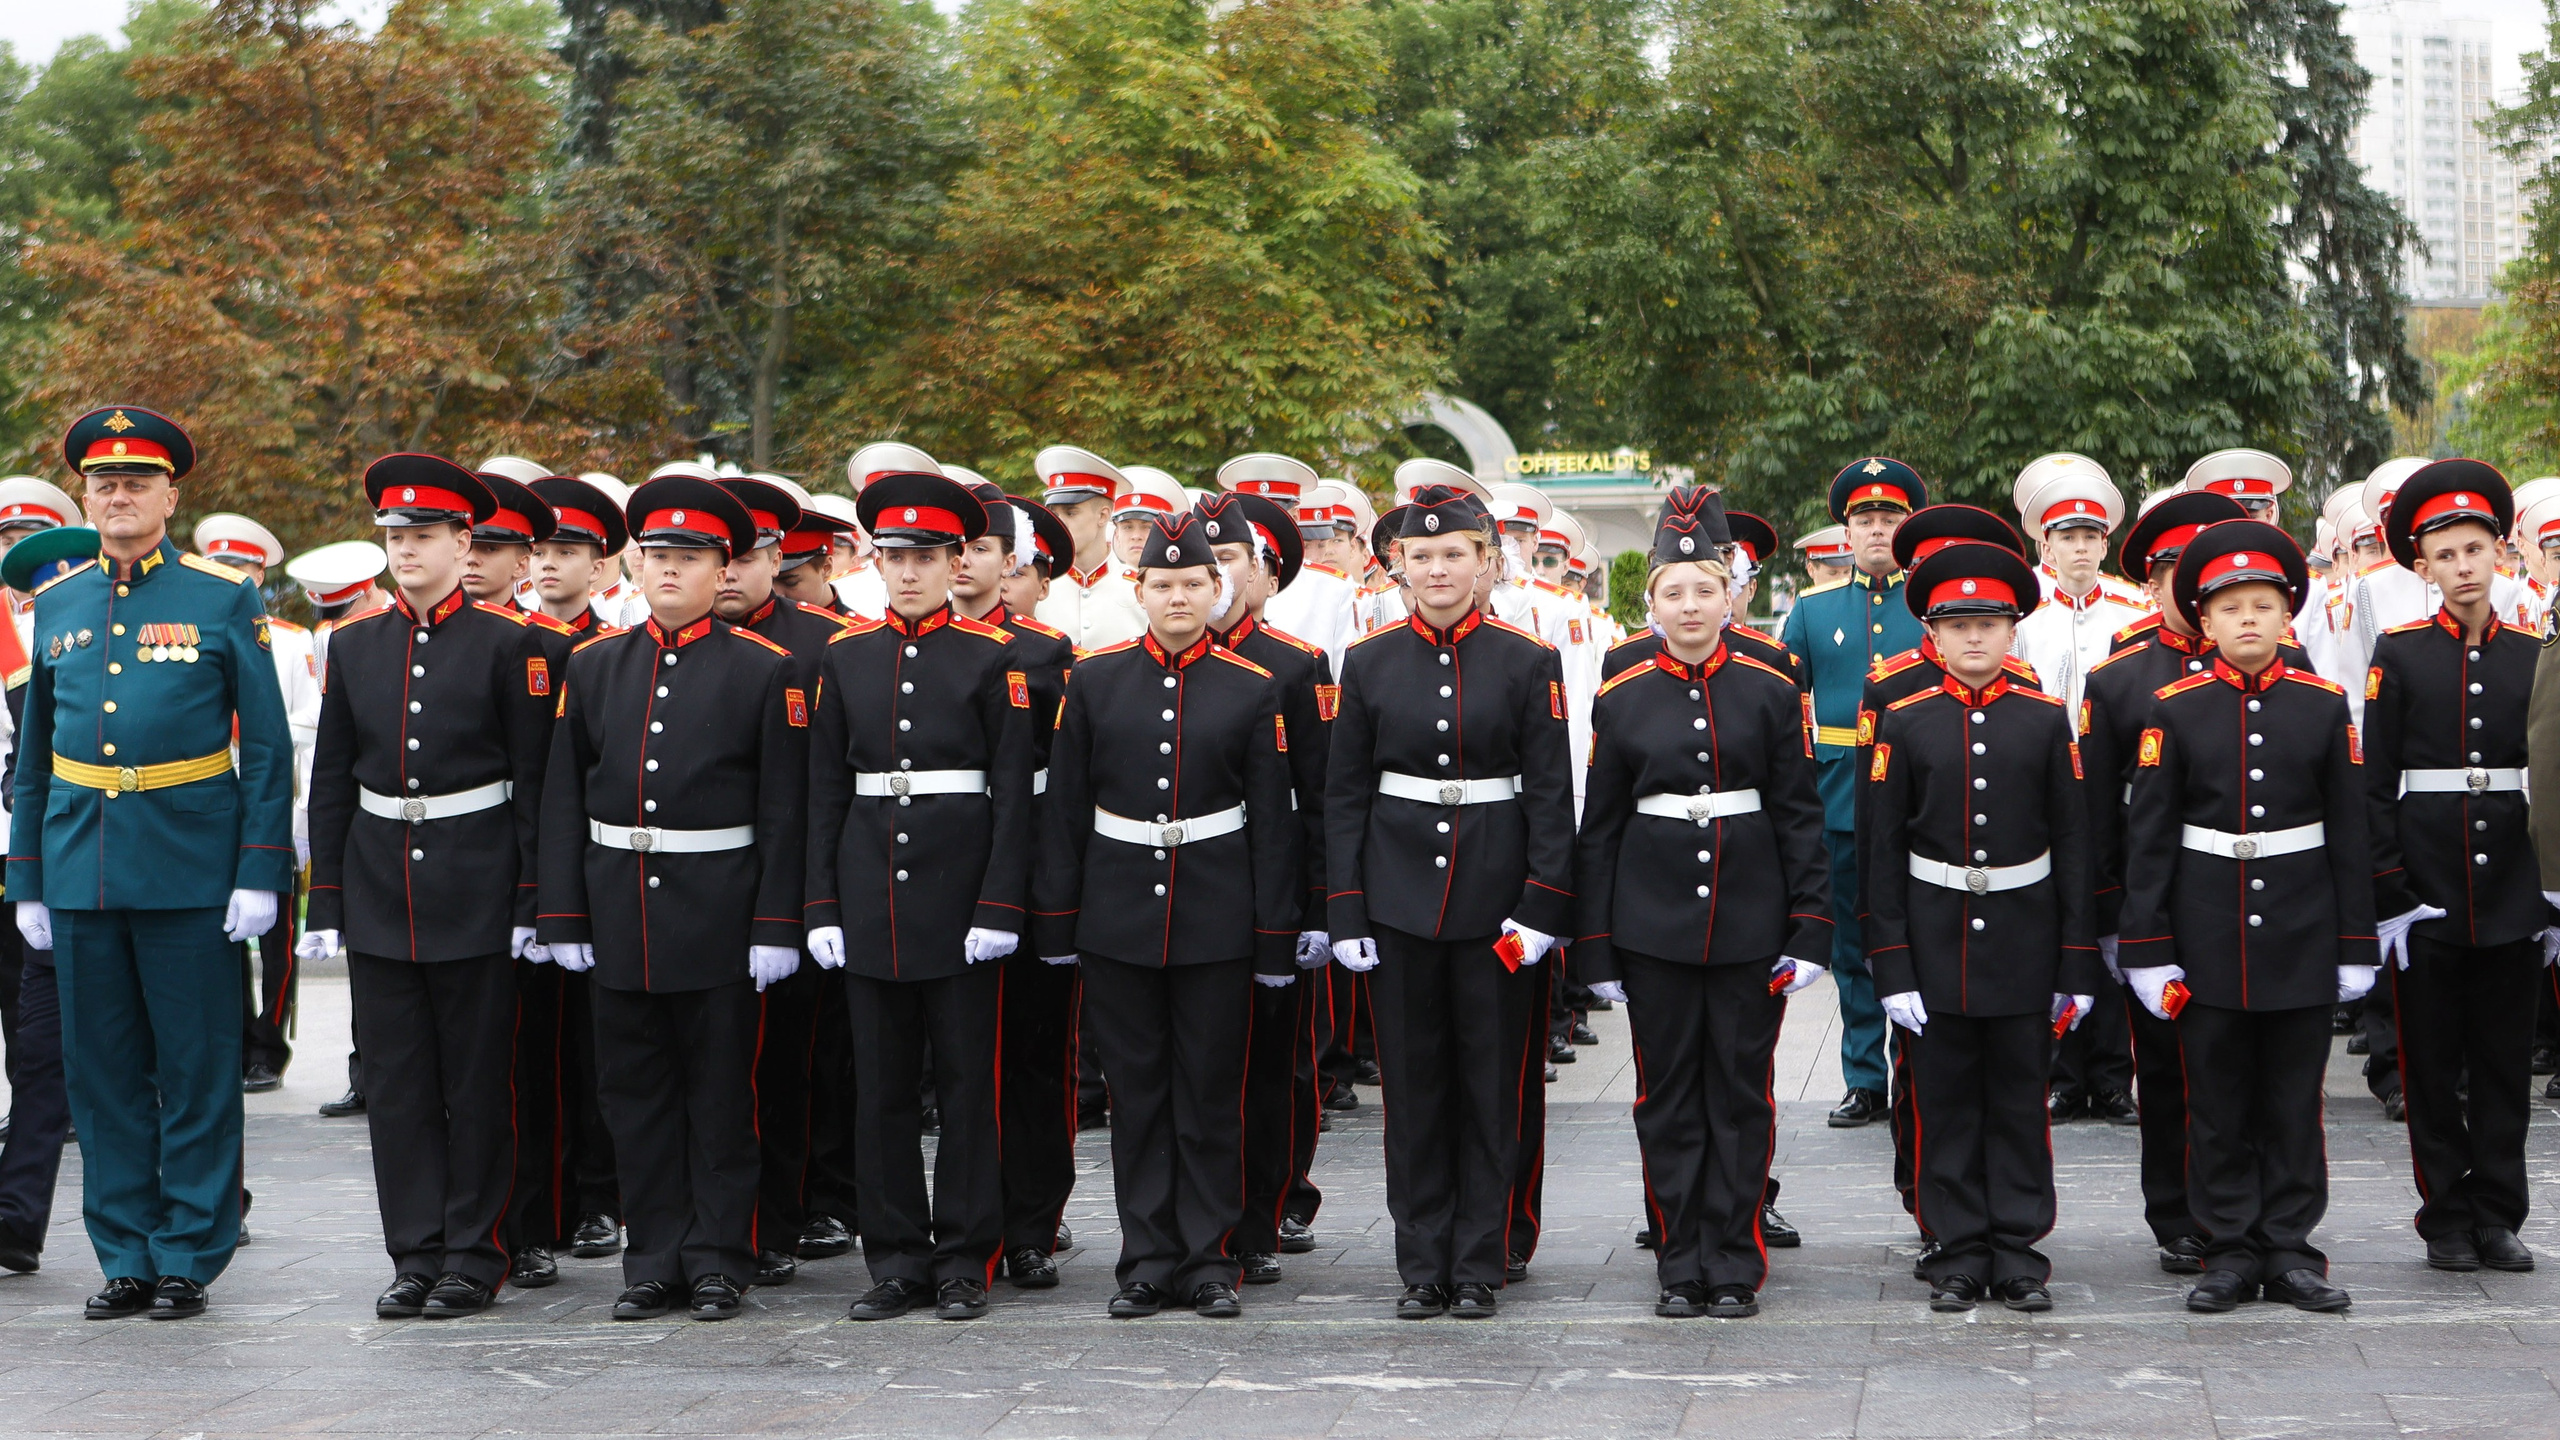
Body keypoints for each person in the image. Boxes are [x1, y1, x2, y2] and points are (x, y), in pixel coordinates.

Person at [11, 406, 294, 1320]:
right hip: (83, 863)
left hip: (189, 863)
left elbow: (269, 749)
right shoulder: (55, 604)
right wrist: (28, 878)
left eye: (137, 482)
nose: (119, 495)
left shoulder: (222, 597)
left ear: (171, 494)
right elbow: (35, 753)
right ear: (86, 497)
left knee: (198, 1065)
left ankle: (189, 1251)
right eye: (103, 484)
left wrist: (258, 869)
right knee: (101, 1073)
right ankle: (124, 1252)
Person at [536, 474, 808, 1322]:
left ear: (722, 568)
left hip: (721, 912)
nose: (668, 573)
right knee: (635, 1095)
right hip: (621, 909)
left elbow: (785, 809)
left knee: (722, 1096)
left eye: (687, 559)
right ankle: (652, 1256)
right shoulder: (596, 663)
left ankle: (722, 1256)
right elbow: (563, 798)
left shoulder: (768, 669)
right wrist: (564, 912)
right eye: (656, 557)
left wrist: (776, 923)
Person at [297, 455, 553, 1318]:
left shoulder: (512, 645)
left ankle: (475, 1255)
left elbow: (533, 784)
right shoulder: (354, 644)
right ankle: (413, 1251)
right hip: (379, 886)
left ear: (462, 542)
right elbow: (332, 777)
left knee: (477, 1083)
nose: (406, 551)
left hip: (478, 886)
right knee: (399, 1087)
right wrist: (325, 896)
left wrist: (529, 902)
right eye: (395, 537)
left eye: (423, 536)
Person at [1034, 509, 1299, 1319]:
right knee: (1138, 1095)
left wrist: (1275, 935)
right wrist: (1058, 921)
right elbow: (1066, 810)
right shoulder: (1094, 678)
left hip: (1218, 916)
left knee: (1211, 1093)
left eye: (1193, 583)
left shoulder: (1254, 688)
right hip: (1117, 917)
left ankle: (1210, 1260)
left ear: (1219, 589)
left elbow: (1274, 822)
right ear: (1137, 589)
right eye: (1163, 584)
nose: (1178, 596)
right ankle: (1146, 1259)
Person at [1571, 500, 1829, 1320]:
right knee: (1667, 1098)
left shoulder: (1769, 686)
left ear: (1730, 598)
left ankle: (1735, 1261)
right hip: (1652, 927)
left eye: (1704, 590)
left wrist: (1811, 925)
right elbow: (1601, 829)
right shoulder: (1622, 693)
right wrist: (1598, 949)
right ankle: (1679, 1258)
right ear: (1650, 603)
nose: (1689, 606)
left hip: (1750, 922)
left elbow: (1798, 812)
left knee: (1743, 1096)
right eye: (1672, 591)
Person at [1324, 482, 1574, 1320]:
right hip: (1398, 905)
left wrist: (1541, 906)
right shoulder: (1367, 662)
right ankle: (1421, 1262)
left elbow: (1549, 792)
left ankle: (1481, 1259)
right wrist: (1349, 909)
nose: (1436, 569)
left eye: (1454, 554)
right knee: (1415, 1090)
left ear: (1487, 563)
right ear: (1398, 566)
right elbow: (1346, 796)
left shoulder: (1526, 659)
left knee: (1491, 1086)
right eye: (1419, 556)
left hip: (1497, 908)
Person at [2118, 520, 2373, 1314]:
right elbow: (2150, 835)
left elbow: (2350, 830)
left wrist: (2354, 941)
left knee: (2294, 1099)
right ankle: (2227, 1249)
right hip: (2205, 926)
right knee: (2217, 1101)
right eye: (2231, 609)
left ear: (2288, 613)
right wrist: (2149, 945)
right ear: (2206, 620)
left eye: (2264, 604)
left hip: (2300, 925)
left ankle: (2291, 1248)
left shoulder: (2324, 705)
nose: (2250, 620)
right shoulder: (2174, 707)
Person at [803, 469, 1031, 1323]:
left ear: (956, 562)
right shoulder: (844, 656)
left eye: (927, 557)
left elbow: (1013, 796)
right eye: (894, 556)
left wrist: (1001, 905)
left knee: (971, 1089)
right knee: (882, 1091)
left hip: (961, 898)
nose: (908, 573)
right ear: (873, 560)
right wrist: (822, 907)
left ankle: (966, 1256)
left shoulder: (993, 658)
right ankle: (895, 1258)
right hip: (870, 903)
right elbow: (825, 791)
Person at [1868, 540, 2097, 1313]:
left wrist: (2074, 962)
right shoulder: (1903, 720)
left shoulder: (2042, 718)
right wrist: (1892, 965)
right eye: (1957, 624)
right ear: (1931, 635)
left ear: (2013, 632)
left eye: (1990, 624)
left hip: (2026, 939)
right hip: (1932, 939)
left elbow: (2072, 845)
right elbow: (1881, 852)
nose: (1974, 639)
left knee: (2018, 1099)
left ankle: (2019, 1249)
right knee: (1945, 1101)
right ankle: (1957, 1249)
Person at [2364, 460, 2544, 1275]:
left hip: (2513, 878)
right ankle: (2444, 1216)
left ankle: (2500, 1213)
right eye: (2446, 554)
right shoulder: (2398, 655)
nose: (2463, 565)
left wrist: (2551, 891)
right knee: (2431, 1061)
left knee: (2505, 1060)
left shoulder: (2536, 656)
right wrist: (2391, 888)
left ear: (2500, 556)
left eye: (2476, 549)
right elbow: (2374, 783)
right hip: (2429, 880)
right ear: (2424, 567)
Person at [2074, 489, 2250, 1276]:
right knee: (2169, 1066)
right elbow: (2095, 813)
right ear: (2153, 581)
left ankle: (2252, 1210)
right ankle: (2178, 1213)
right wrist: (2111, 917)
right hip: (2159, 898)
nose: (2191, 583)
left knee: (2255, 1063)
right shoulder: (2119, 678)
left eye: (2202, 567)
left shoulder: (2274, 663)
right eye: (2176, 569)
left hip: (2249, 897)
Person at [1194, 490, 1335, 1283]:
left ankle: (1276, 1198)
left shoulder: (1297, 665)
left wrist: (1319, 904)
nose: (1208, 578)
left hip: (1272, 890)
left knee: (1280, 1057)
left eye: (1226, 562)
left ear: (1261, 575)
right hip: (1194, 887)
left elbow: (1319, 799)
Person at [503, 473, 631, 1279]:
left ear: (602, 564)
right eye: (541, 550)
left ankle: (596, 1199)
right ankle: (535, 1208)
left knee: (594, 1054)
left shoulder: (605, 651)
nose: (549, 565)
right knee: (525, 1057)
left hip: (599, 870)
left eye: (568, 551)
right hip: (514, 866)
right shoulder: (505, 640)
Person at [1781, 459, 1927, 1128]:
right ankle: (1865, 1078)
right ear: (1846, 529)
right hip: (1840, 795)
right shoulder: (1812, 609)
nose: (1877, 529)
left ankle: (1919, 1072)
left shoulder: (1932, 601)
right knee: (1851, 950)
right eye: (1865, 519)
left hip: (1921, 792)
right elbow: (1785, 708)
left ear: (1907, 527)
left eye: (1889, 518)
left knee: (1916, 938)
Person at [188, 512, 321, 1095]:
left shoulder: (292, 642)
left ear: (260, 574)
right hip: (213, 802)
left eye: (240, 567)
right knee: (219, 931)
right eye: (220, 567)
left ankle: (270, 1043)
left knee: (276, 938)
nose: (231, 577)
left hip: (273, 797)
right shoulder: (188, 632)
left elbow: (312, 724)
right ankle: (235, 1037)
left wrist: (300, 820)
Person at [0, 518, 94, 1278]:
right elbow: (23, 781)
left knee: (162, 1060)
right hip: (49, 881)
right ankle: (15, 1218)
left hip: (140, 882)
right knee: (38, 1058)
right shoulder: (32, 668)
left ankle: (211, 1199)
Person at [1034, 446, 1146, 652]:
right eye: (1054, 513)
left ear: (1103, 516)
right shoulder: (1037, 587)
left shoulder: (1139, 588)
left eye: (1071, 512)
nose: (1059, 523)